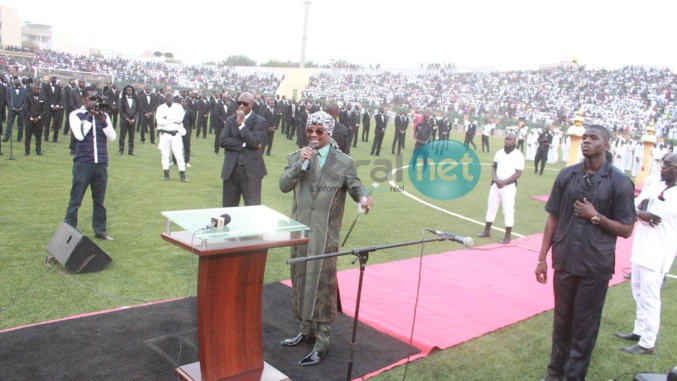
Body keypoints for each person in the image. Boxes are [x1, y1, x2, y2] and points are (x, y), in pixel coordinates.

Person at [535, 125, 636, 381]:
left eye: (593, 138)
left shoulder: (620, 182)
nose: (586, 141)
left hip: (595, 266)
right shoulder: (567, 175)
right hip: (566, 259)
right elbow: (553, 217)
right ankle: (554, 374)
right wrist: (542, 258)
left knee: (584, 327)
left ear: (606, 145)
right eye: (584, 137)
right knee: (561, 322)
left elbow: (626, 229)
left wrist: (595, 216)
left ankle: (573, 377)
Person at [279, 111, 374, 366]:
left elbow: (355, 186)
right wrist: (301, 164)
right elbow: (284, 185)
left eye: (319, 131)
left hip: (325, 236)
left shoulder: (343, 162)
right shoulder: (296, 157)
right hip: (300, 233)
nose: (313, 135)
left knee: (322, 287)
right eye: (310, 130)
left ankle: (322, 343)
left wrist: (363, 198)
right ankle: (305, 331)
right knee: (300, 280)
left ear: (329, 133)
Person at [613, 153, 677, 355]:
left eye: (668, 165)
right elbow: (632, 204)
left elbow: (656, 218)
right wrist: (640, 213)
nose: (663, 167)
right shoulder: (657, 185)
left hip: (659, 251)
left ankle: (647, 343)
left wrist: (637, 212)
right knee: (638, 289)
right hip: (642, 246)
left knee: (650, 296)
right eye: (663, 163)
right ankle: (639, 330)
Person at [64, 87, 117, 241]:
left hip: (100, 163)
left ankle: (100, 231)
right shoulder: (76, 115)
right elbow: (79, 136)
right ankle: (69, 230)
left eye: (97, 98)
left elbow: (113, 137)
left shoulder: (104, 115)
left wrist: (102, 121)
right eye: (91, 98)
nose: (95, 101)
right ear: (84, 99)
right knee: (76, 199)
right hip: (83, 163)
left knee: (99, 201)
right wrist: (89, 117)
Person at [219, 92, 267, 207]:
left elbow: (255, 142)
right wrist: (243, 144)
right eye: (239, 103)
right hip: (231, 170)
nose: (241, 106)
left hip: (251, 172)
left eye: (244, 104)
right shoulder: (230, 120)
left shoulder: (260, 121)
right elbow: (222, 141)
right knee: (228, 208)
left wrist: (241, 125)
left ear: (251, 105)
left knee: (252, 208)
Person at [476, 132, 524, 244]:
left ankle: (507, 236)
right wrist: (496, 179)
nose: (507, 141)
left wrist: (505, 181)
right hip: (496, 185)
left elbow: (518, 173)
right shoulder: (499, 153)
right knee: (491, 207)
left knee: (508, 210)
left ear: (514, 141)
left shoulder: (518, 155)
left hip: (509, 186)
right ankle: (487, 231)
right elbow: (493, 168)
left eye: (510, 139)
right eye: (506, 139)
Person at [156, 91, 188, 182]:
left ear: (173, 97)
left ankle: (182, 174)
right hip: (164, 134)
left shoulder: (178, 107)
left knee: (179, 155)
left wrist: (166, 118)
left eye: (170, 96)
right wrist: (172, 120)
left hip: (176, 134)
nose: (168, 97)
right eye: (166, 96)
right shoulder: (160, 108)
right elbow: (159, 121)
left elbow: (179, 119)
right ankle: (166, 174)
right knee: (165, 155)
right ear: (164, 97)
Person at [24, 85, 45, 155]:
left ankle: (38, 151)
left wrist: (39, 117)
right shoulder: (28, 96)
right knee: (28, 135)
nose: (36, 90)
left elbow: (44, 110)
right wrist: (31, 117)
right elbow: (26, 108)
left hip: (39, 120)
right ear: (33, 89)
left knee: (39, 136)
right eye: (35, 88)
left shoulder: (43, 97)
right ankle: (27, 151)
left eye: (38, 89)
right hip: (29, 119)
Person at [118, 85, 138, 156]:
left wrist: (133, 119)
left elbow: (137, 111)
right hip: (124, 120)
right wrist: (127, 119)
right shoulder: (122, 99)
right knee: (122, 136)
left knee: (131, 136)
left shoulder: (135, 99)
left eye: (131, 90)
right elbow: (121, 111)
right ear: (125, 91)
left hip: (132, 121)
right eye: (128, 90)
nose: (129, 91)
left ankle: (131, 151)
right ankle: (121, 150)